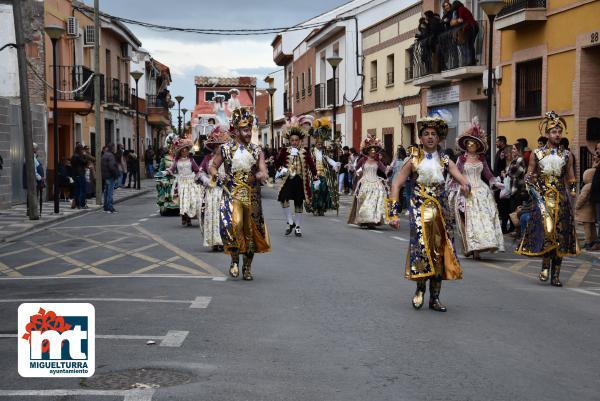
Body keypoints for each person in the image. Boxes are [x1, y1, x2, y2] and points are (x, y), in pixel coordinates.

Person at [388, 116, 471, 312]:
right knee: (421, 250)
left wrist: (466, 185)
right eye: (426, 134)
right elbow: (396, 184)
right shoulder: (413, 158)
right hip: (419, 209)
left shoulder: (444, 159)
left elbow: (460, 177)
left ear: (439, 138)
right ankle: (419, 290)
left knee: (440, 253)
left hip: (441, 211)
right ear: (421, 138)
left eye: (434, 134)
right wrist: (392, 213)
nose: (430, 137)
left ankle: (435, 298)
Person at [516, 112, 580, 286]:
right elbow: (529, 176)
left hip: (561, 200)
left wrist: (573, 194)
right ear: (547, 134)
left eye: (559, 131)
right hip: (543, 199)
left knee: (561, 237)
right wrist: (532, 187)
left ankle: (556, 275)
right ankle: (545, 266)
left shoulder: (567, 155)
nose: (557, 134)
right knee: (546, 232)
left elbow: (572, 178)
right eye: (553, 131)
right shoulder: (537, 153)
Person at [209, 107, 271, 280]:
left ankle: (248, 268)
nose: (248, 133)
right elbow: (212, 166)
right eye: (245, 130)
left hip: (251, 196)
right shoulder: (225, 149)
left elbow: (263, 171)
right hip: (231, 194)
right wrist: (218, 175)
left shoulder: (256, 150)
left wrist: (260, 175)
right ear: (236, 130)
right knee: (233, 227)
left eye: (250, 129)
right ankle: (235, 261)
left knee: (250, 232)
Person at [449, 117, 504, 259]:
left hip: (482, 191)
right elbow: (456, 174)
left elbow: (487, 173)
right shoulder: (461, 159)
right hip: (467, 191)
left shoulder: (482, 159)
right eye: (469, 143)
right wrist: (456, 187)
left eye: (473, 143)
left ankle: (484, 244)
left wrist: (494, 182)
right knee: (470, 220)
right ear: (466, 145)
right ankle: (473, 247)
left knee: (485, 218)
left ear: (478, 145)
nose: (471, 146)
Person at [275, 115, 317, 237]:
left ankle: (297, 226)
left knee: (299, 202)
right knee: (283, 198)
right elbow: (277, 163)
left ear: (300, 141)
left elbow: (311, 165)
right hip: (288, 179)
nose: (294, 142)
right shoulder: (285, 151)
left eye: (296, 140)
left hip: (300, 180)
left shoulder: (305, 151)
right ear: (289, 141)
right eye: (292, 140)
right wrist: (281, 169)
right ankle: (290, 221)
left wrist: (315, 176)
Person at [198, 124, 231, 251]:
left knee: (224, 216)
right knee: (213, 216)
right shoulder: (207, 158)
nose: (219, 148)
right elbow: (200, 172)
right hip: (212, 192)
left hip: (225, 191)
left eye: (221, 145)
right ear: (213, 146)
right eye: (217, 145)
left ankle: (224, 240)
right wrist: (206, 180)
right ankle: (215, 241)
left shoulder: (228, 158)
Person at [348, 135, 389, 228]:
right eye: (371, 151)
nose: (373, 153)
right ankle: (363, 221)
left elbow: (384, 170)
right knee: (364, 201)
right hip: (365, 182)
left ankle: (372, 221)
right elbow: (356, 168)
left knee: (374, 202)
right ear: (368, 152)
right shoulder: (363, 160)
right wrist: (355, 171)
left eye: (374, 152)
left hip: (376, 183)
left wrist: (389, 170)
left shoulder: (378, 161)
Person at [163, 137, 202, 227]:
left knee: (191, 200)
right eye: (183, 151)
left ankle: (189, 218)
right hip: (181, 182)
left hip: (190, 182)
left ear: (188, 151)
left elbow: (197, 170)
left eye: (186, 150)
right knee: (183, 200)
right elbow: (172, 169)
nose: (185, 152)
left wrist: (201, 177)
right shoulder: (176, 161)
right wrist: (166, 172)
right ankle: (184, 217)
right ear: (180, 152)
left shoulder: (191, 160)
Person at [310, 117, 340, 216]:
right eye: (318, 143)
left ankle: (322, 208)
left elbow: (329, 160)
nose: (320, 145)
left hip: (323, 174)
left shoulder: (324, 152)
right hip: (314, 175)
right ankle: (315, 208)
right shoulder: (311, 152)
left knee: (324, 191)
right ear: (316, 143)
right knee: (315, 192)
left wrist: (335, 164)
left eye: (321, 143)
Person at [450, 1, 479, 66]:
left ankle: (470, 61)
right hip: (472, 27)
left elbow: (461, 20)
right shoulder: (462, 9)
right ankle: (471, 60)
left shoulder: (461, 9)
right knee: (470, 44)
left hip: (470, 27)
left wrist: (454, 22)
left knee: (469, 44)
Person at [576, 167, 598, 250]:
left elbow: (582, 197)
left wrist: (577, 206)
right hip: (591, 209)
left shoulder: (587, 187)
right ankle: (594, 240)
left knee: (586, 227)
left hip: (585, 210)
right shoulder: (593, 185)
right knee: (592, 227)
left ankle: (588, 242)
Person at [101, 143, 119, 213]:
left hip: (105, 176)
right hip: (111, 176)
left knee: (106, 191)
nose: (115, 149)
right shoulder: (111, 156)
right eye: (114, 148)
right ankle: (110, 207)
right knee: (110, 192)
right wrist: (115, 174)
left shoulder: (104, 155)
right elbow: (112, 167)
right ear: (112, 148)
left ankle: (105, 206)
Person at [70, 144, 88, 209]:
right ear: (79, 150)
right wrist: (85, 156)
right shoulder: (78, 156)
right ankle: (81, 204)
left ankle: (77, 204)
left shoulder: (73, 156)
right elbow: (85, 162)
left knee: (77, 190)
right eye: (82, 149)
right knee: (82, 190)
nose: (82, 150)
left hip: (75, 175)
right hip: (80, 174)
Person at [590, 142, 600, 247]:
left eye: (599, 149)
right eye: (596, 148)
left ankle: (599, 242)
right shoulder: (597, 162)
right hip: (596, 196)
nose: (597, 151)